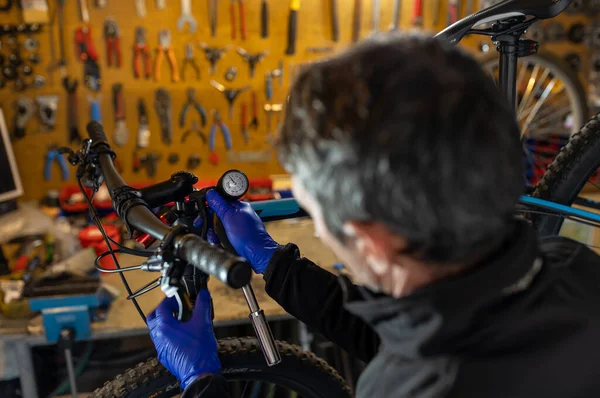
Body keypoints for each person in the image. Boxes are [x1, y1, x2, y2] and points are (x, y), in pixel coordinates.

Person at [147, 34, 600, 397]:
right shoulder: (572, 264)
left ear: (372, 241)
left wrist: (203, 385)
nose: (317, 223)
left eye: (314, 210)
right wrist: (273, 262)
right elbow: (411, 337)